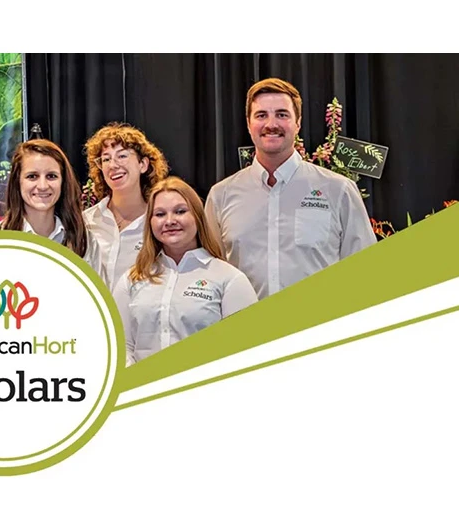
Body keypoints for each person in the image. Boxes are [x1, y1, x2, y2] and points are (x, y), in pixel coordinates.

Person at [205, 77, 376, 300]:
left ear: (298, 123)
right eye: (261, 115)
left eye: (282, 114)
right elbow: (210, 278)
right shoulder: (221, 196)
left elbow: (364, 272)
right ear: (248, 124)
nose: (271, 124)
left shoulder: (339, 190)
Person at [113, 177, 257, 366]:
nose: (169, 221)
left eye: (180, 211)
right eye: (160, 214)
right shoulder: (131, 279)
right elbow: (119, 346)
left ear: (197, 216)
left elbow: (244, 349)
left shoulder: (230, 279)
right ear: (150, 222)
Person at [0, 139, 108, 285]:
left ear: (63, 182)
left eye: (51, 176)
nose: (42, 186)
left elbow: (98, 297)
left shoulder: (84, 242)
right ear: (17, 181)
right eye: (32, 176)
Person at [82, 122, 170, 289]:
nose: (113, 165)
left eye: (122, 156)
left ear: (143, 164)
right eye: (106, 159)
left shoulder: (159, 222)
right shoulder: (86, 221)